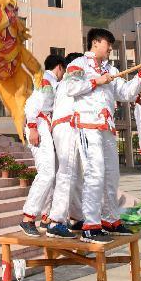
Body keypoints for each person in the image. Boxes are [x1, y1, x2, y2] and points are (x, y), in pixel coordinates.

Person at [65, 28, 141, 243]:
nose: (111, 48)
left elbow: (126, 94)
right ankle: (91, 225)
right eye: (108, 44)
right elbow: (70, 87)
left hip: (106, 127)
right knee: (94, 175)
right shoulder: (78, 64)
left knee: (111, 175)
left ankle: (110, 219)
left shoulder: (110, 69)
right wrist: (97, 81)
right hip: (88, 125)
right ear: (95, 43)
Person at [20, 54, 66, 235]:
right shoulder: (45, 80)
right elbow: (32, 105)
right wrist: (32, 128)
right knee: (46, 173)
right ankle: (28, 218)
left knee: (51, 174)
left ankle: (46, 217)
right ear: (60, 67)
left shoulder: (50, 81)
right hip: (38, 125)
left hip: (42, 125)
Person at [45, 52, 86, 239]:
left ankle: (76, 217)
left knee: (75, 174)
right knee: (67, 173)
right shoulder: (72, 78)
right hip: (67, 125)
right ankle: (56, 221)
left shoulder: (65, 81)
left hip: (69, 126)